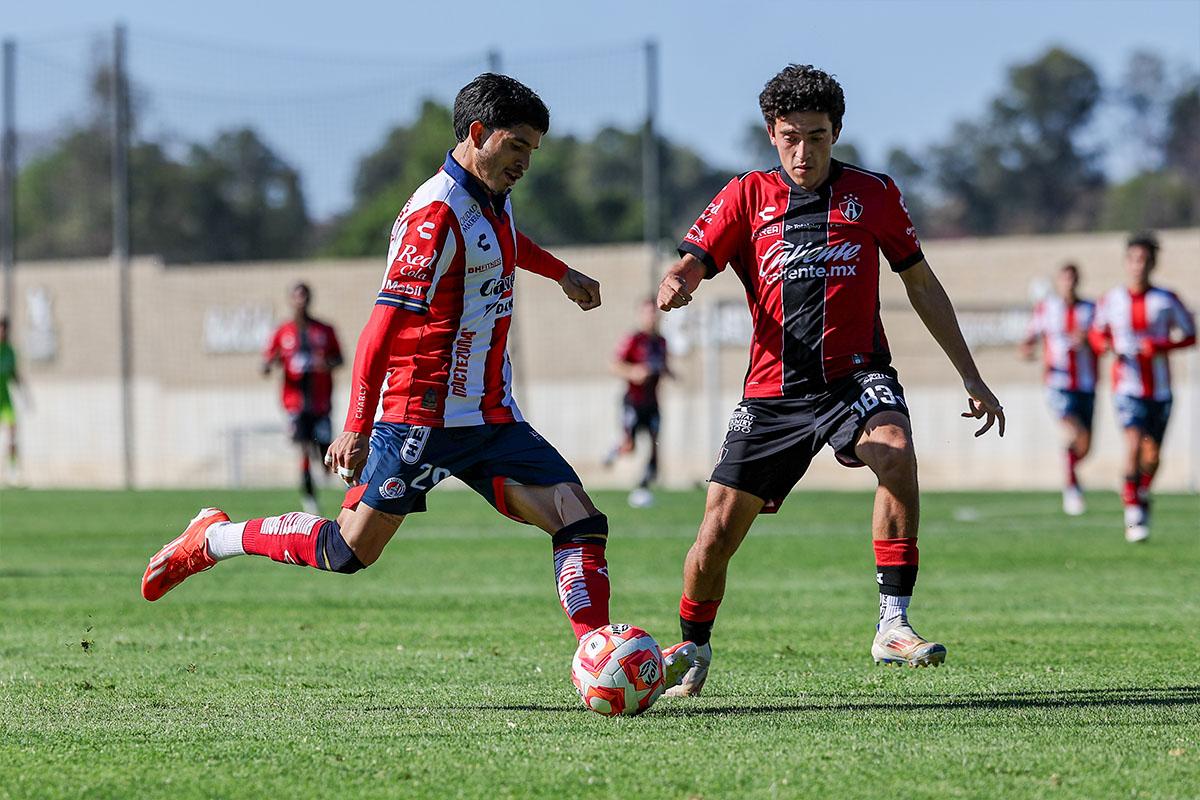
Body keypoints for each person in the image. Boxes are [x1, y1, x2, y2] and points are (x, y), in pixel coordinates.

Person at [140, 73, 696, 683]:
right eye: (516, 146)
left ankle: (599, 654)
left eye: (533, 150)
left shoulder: (492, 194)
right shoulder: (434, 214)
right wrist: (356, 425)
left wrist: (560, 272)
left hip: (491, 417)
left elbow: (503, 241)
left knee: (579, 519)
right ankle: (215, 538)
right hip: (418, 418)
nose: (525, 163)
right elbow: (380, 329)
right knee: (348, 550)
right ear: (477, 133)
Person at [657, 64, 1005, 694]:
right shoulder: (745, 196)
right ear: (771, 133)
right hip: (773, 395)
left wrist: (970, 374)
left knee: (894, 449)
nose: (803, 151)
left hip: (856, 378)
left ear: (836, 132)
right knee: (715, 535)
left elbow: (921, 283)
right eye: (790, 137)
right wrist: (678, 281)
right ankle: (694, 646)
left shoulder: (874, 194)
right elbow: (692, 261)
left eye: (816, 136)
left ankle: (893, 623)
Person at [1090, 232, 1195, 543]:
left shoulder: (1167, 299)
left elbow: (1191, 335)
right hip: (1126, 388)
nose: (1139, 265)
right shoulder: (1112, 299)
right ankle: (1133, 509)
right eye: (1134, 259)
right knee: (1134, 444)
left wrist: (1160, 346)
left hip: (1160, 390)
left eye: (1145, 260)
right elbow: (1096, 333)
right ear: (1127, 262)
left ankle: (1142, 490)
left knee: (1153, 456)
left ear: (1153, 263)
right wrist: (1104, 344)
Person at [1019, 264, 1098, 515]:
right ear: (1058, 282)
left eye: (1072, 279)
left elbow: (1103, 341)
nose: (1069, 284)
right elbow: (1028, 340)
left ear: (1078, 281)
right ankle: (1072, 487)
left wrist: (1089, 340)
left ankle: (1070, 468)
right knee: (1075, 432)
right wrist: (1027, 350)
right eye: (1064, 279)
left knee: (1086, 446)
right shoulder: (1047, 308)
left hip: (1086, 384)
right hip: (1057, 385)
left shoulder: (1091, 310)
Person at [263, 283, 344, 514]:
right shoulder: (283, 332)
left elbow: (339, 359)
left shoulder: (324, 330)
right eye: (296, 297)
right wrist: (272, 362)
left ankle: (331, 476)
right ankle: (310, 499)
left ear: (309, 299)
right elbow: (266, 363)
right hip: (295, 404)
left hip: (321, 402)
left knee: (325, 448)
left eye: (304, 296)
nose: (300, 301)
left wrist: (323, 363)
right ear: (290, 300)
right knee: (304, 448)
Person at [605, 298, 672, 508]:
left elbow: (662, 365)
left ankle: (643, 487)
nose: (652, 317)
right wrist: (633, 372)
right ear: (641, 315)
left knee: (655, 445)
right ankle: (616, 449)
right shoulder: (633, 339)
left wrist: (670, 373)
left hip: (653, 403)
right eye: (648, 313)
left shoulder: (661, 342)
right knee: (630, 447)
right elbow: (614, 365)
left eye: (654, 313)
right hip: (633, 402)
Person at [0, 316, 26, 485]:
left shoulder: (9, 351)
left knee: (12, 436)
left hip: (5, 400)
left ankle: (13, 472)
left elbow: (14, 374)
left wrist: (24, 394)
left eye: (4, 329)